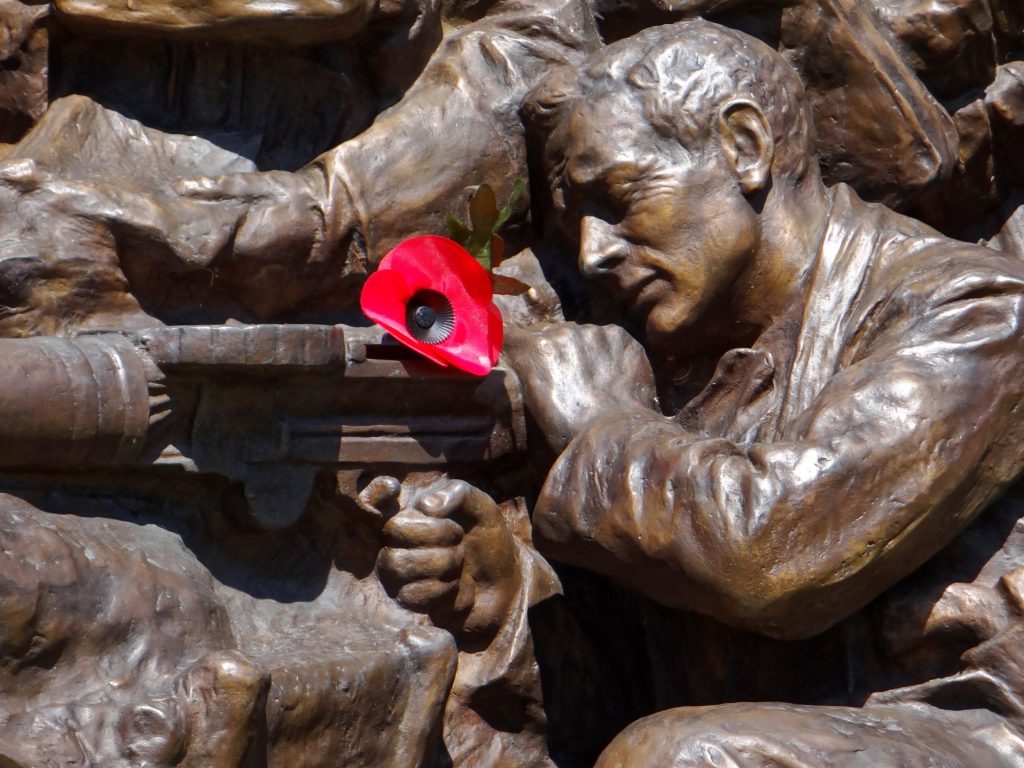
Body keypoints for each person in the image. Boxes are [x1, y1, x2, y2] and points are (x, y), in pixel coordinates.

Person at [503, 19, 1024, 764]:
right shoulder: (679, 354)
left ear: (743, 147)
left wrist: (606, 425)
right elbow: (654, 668)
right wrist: (494, 583)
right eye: (574, 224)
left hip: (976, 731)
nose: (593, 253)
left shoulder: (977, 313)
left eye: (618, 196)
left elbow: (773, 558)